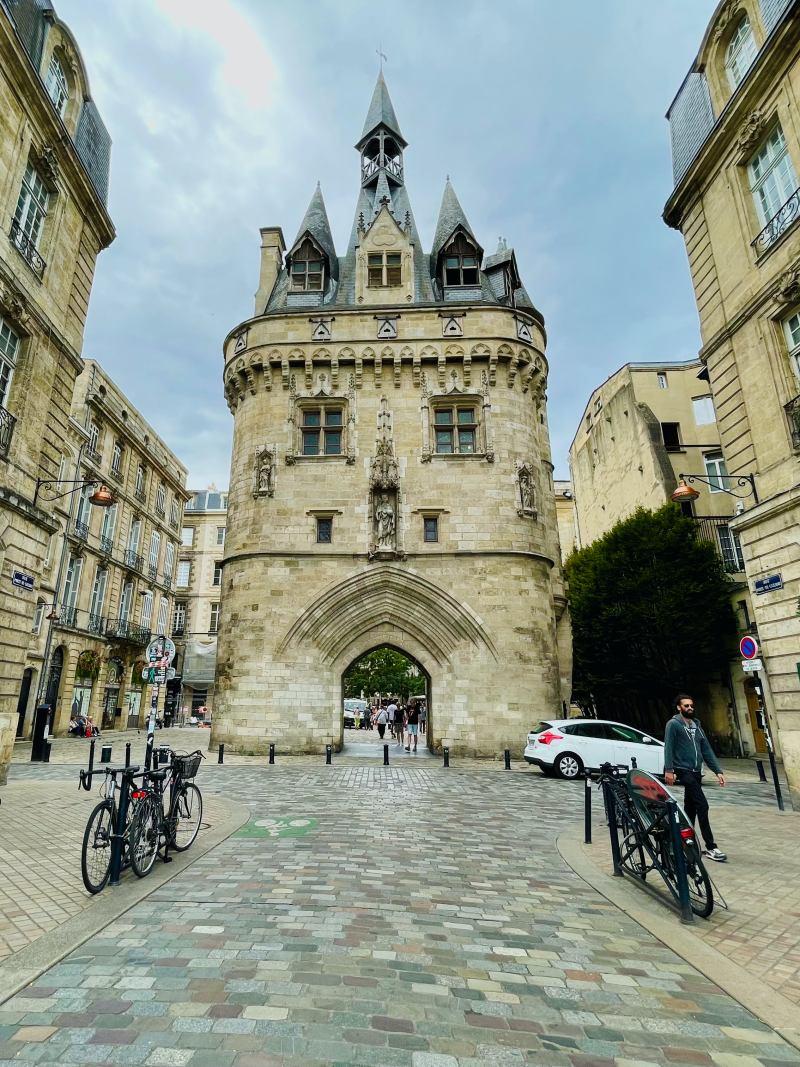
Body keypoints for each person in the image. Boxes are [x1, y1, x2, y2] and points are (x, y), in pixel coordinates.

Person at [664, 693, 727, 862]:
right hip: (683, 770)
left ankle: (682, 841)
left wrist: (717, 770)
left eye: (691, 705)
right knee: (702, 805)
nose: (690, 708)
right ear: (679, 707)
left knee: (690, 807)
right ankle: (711, 847)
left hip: (696, 771)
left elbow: (705, 749)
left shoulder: (697, 725)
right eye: (686, 706)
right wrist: (669, 769)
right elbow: (668, 747)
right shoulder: (673, 725)